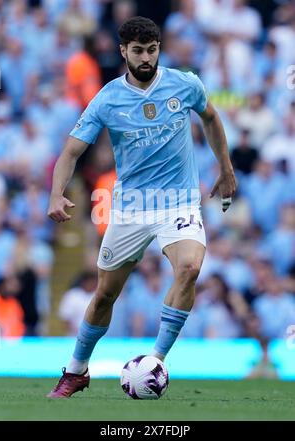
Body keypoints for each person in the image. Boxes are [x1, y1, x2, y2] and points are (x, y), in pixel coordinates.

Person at [46, 16, 236, 398]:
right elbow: (71, 151)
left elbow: (211, 118)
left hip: (178, 202)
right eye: (138, 51)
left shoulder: (184, 84)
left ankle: (155, 362)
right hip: (131, 207)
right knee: (104, 295)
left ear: (158, 49)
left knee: (190, 267)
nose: (146, 58)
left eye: (151, 50)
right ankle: (77, 369)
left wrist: (226, 170)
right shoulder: (108, 97)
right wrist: (56, 192)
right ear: (123, 51)